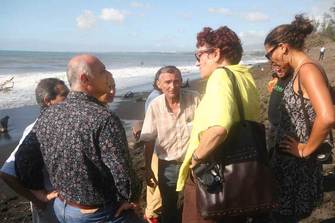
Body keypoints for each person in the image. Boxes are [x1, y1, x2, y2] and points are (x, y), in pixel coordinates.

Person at [15, 54, 144, 223]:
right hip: (99, 213)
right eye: (103, 71)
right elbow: (122, 172)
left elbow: (23, 159)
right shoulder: (103, 118)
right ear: (85, 79)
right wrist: (132, 198)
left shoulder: (48, 114)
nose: (108, 75)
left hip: (63, 208)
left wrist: (40, 193)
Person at [176, 26, 261, 223]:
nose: (198, 63)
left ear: (215, 54)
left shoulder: (220, 76)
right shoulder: (244, 76)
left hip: (213, 173)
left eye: (199, 55)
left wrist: (195, 160)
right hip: (240, 172)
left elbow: (219, 128)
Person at [264, 15, 335, 222]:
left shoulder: (308, 70)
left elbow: (328, 115)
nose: (271, 60)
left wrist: (305, 149)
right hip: (291, 162)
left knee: (286, 216)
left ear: (283, 47)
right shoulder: (301, 71)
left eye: (270, 54)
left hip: (296, 164)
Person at [0, 78, 69, 223]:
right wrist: (38, 198)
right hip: (52, 210)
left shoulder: (58, 125)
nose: (70, 99)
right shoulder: (36, 129)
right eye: (65, 95)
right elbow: (7, 173)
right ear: (48, 101)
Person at [140, 65, 200, 223]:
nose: (172, 86)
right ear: (159, 84)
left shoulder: (195, 99)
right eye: (167, 82)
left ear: (181, 82)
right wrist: (148, 170)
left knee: (196, 202)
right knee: (169, 206)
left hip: (193, 163)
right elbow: (148, 140)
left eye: (176, 81)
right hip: (167, 165)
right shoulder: (155, 106)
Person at [132, 72, 163, 223]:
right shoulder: (157, 97)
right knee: (156, 184)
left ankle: (151, 212)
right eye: (166, 82)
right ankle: (152, 216)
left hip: (154, 144)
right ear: (158, 82)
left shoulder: (154, 94)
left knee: (153, 183)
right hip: (156, 146)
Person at [267, 63, 293, 152]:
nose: (278, 69)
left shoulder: (294, 79)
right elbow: (278, 92)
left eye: (281, 66)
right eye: (274, 66)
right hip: (273, 127)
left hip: (286, 131)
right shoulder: (280, 80)